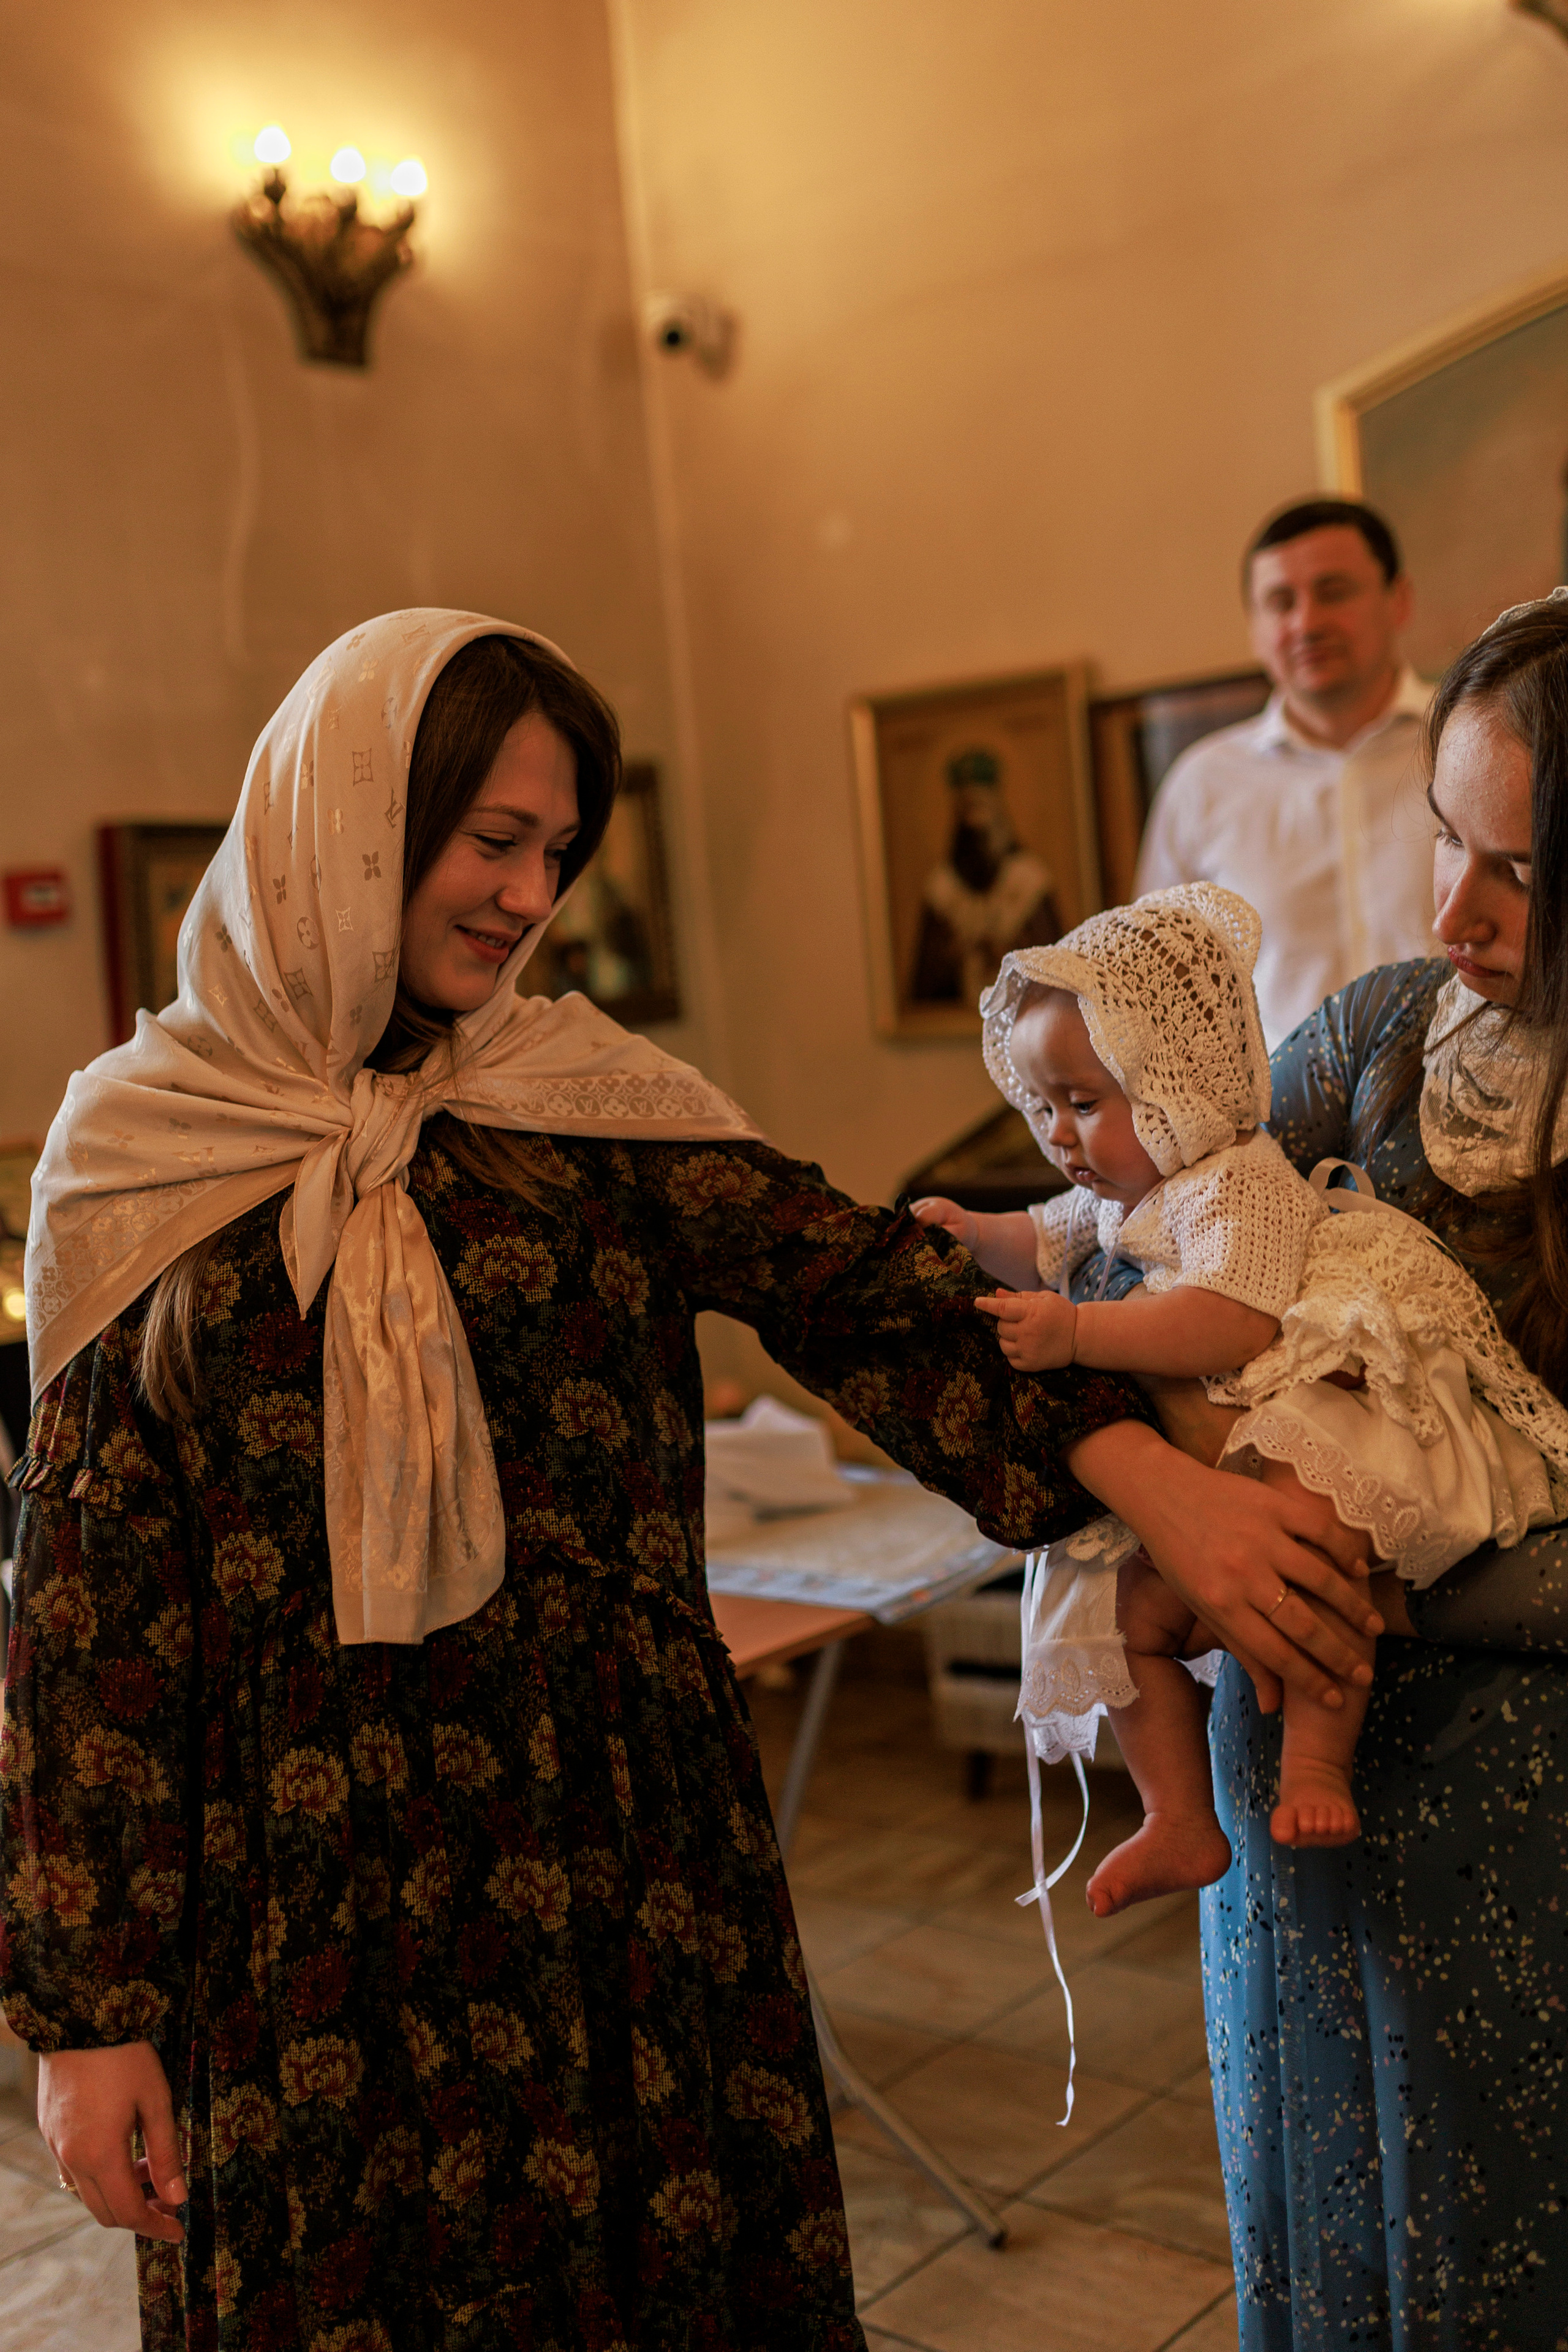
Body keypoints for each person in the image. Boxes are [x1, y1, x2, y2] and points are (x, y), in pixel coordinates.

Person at [0, 609, 1378, 2352]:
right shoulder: (141, 1151)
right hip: (298, 1904)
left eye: (557, 855)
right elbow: (87, 1617)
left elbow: (874, 1299)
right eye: (491, 839)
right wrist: (88, 2018)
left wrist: (1151, 1482)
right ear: (352, 817)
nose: (527, 897)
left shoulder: (584, 1104)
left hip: (621, 1851)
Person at [916, 883, 1568, 1920]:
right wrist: (972, 1232)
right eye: (1042, 1107)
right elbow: (1044, 1233)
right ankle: (1177, 1814)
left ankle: (1318, 1756)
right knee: (1131, 1618)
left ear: (1173, 1085)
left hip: (1299, 1393)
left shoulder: (1237, 1179)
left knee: (1307, 1543)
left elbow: (1230, 1324)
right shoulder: (1118, 1192)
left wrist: (1081, 1333)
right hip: (1212, 1450)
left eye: (1084, 1104)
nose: (1061, 1137)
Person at [1195, 591, 1568, 2345]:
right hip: (1297, 1800)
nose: (1453, 914)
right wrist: (1187, 1498)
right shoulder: (1379, 1035)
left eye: (1522, 872)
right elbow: (1169, 1251)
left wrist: (1376, 1572)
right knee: (1321, 2222)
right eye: (1443, 838)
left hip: (1536, 1832)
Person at [1136, 497, 1435, 1050]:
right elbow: (1155, 990)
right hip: (1278, 1128)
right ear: (1254, 628)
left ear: (1399, 601)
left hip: (1476, 1112)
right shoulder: (1201, 785)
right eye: (1280, 602)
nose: (1306, 623)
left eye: (1334, 592)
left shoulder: (1474, 743)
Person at [909, 744, 1060, 1003]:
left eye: (983, 807)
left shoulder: (1030, 879)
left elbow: (1056, 969)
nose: (977, 821)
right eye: (968, 810)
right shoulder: (941, 888)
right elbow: (927, 983)